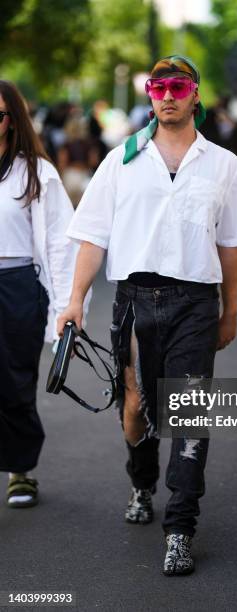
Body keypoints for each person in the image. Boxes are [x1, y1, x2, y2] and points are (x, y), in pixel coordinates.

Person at [57, 55, 237, 575]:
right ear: (150, 95)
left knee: (188, 414)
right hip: (134, 299)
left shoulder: (223, 165)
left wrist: (231, 312)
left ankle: (180, 528)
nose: (167, 94)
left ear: (195, 95)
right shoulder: (120, 161)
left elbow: (232, 245)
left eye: (178, 86)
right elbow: (92, 236)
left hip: (196, 301)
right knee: (135, 409)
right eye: (159, 86)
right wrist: (75, 299)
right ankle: (141, 481)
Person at [0, 81, 84, 508]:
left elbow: (59, 243)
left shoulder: (36, 171)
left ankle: (21, 471)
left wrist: (67, 304)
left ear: (12, 119)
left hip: (17, 286)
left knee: (15, 382)